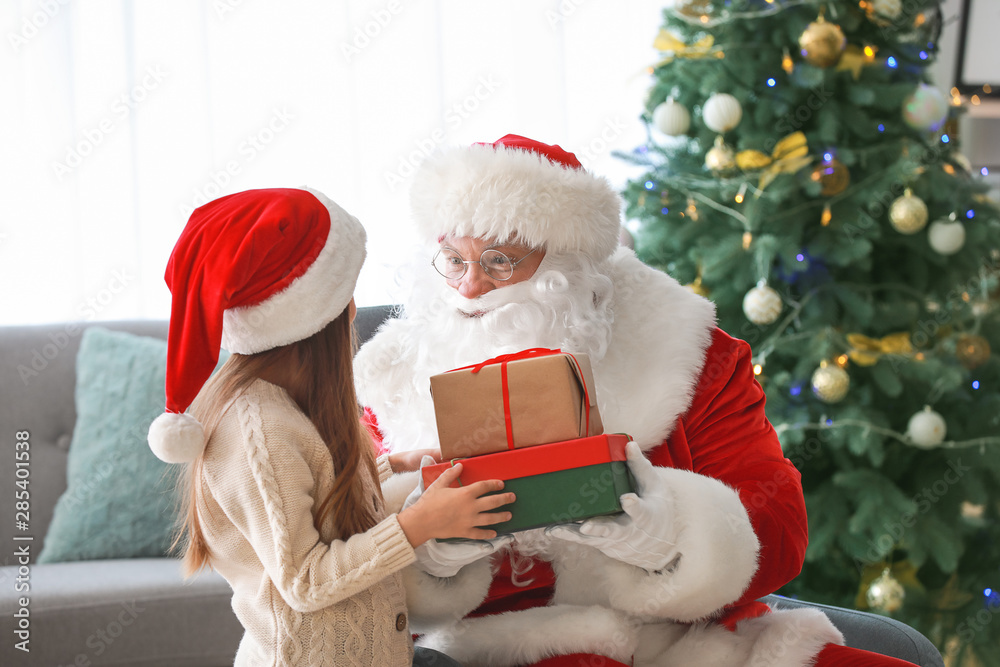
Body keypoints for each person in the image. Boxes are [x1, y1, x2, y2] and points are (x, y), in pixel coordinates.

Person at [354, 136, 923, 667]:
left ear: (567, 262)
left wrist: (666, 535)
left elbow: (780, 528)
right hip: (486, 648)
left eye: (501, 260)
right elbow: (336, 557)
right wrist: (428, 550)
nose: (470, 288)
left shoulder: (690, 353)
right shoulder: (390, 378)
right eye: (455, 260)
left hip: (678, 640)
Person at [146, 187, 514, 667]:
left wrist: (382, 468)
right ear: (309, 316)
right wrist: (419, 525)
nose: (355, 308)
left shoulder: (277, 405)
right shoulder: (257, 428)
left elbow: (301, 495)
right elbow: (306, 580)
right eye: (345, 293)